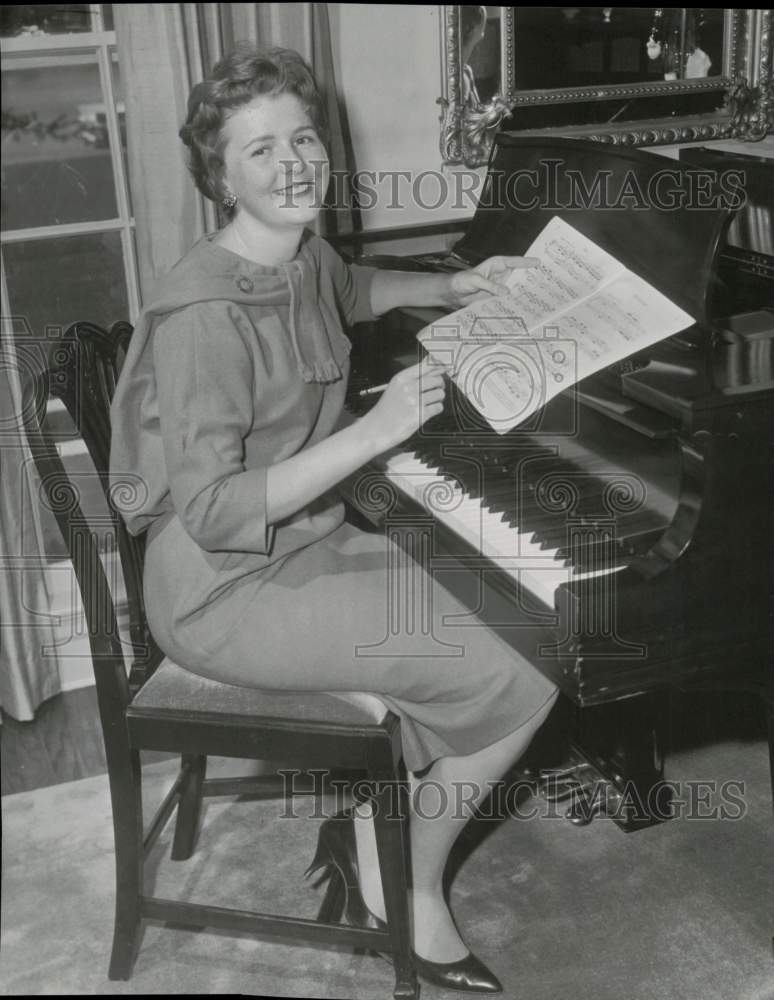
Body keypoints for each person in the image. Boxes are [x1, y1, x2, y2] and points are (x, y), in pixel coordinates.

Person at [109, 45, 557, 995]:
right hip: (222, 584)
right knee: (521, 670)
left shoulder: (299, 250)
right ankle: (407, 886)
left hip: (302, 537)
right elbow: (216, 505)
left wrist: (451, 285)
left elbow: (349, 289)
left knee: (515, 611)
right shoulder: (205, 316)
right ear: (216, 176)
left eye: (303, 136)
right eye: (260, 150)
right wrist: (381, 431)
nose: (296, 163)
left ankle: (384, 810)